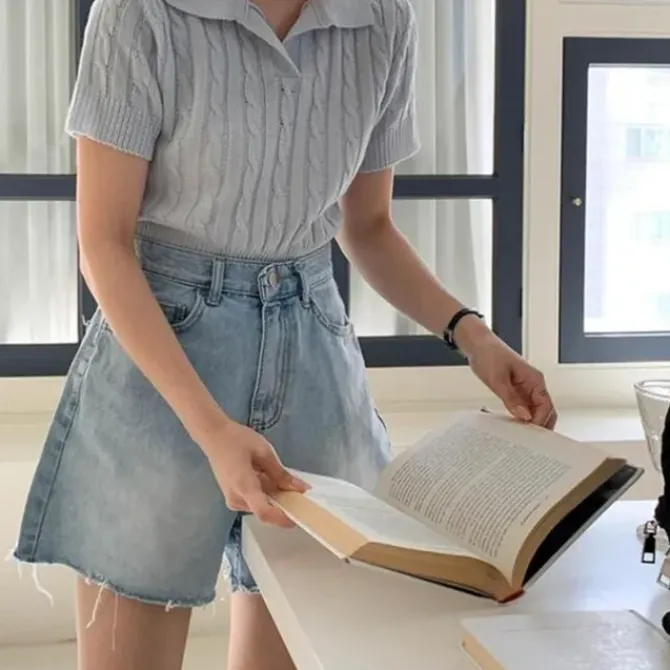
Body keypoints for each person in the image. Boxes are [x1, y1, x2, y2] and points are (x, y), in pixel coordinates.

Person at [13, 0, 557, 668]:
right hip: (161, 351)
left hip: (312, 350)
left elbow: (369, 228)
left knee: (297, 645)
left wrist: (473, 335)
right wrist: (211, 429)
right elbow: (103, 243)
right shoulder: (141, 12)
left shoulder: (382, 20)